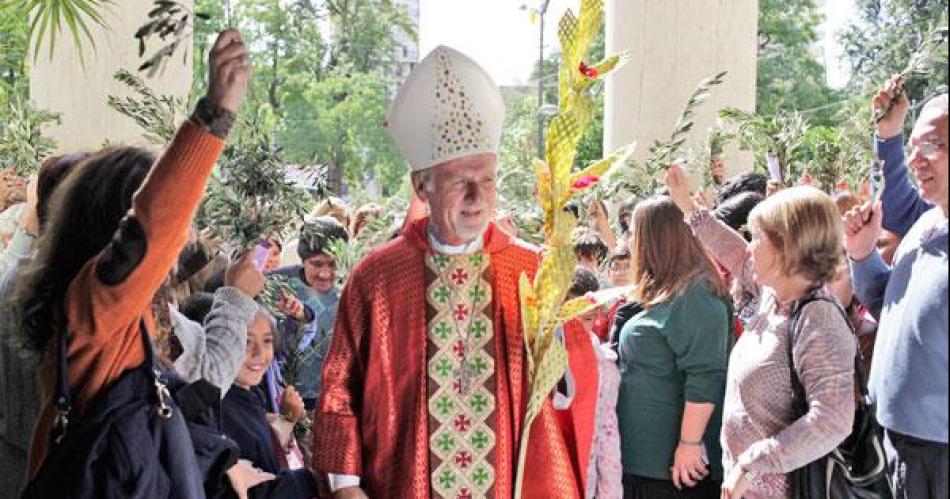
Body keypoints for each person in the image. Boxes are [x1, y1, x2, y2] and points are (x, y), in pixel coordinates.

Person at [313, 45, 592, 498]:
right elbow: (340, 387)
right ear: (421, 184)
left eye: (487, 179)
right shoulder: (378, 278)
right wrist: (346, 486)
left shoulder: (532, 270)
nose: (476, 196)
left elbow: (566, 390)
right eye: (460, 180)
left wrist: (559, 349)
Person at [11, 30, 270, 496]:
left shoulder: (121, 325)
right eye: (185, 219)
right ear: (115, 227)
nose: (186, 232)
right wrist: (214, 115)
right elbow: (153, 227)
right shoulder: (97, 314)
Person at [666, 164, 856, 499]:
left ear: (789, 247)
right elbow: (735, 254)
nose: (750, 247)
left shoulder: (818, 319)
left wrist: (755, 461)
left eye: (757, 238)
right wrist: (689, 209)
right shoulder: (776, 295)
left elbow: (832, 419)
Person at [845, 88, 948, 499]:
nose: (915, 158)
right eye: (912, 145)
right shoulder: (927, 225)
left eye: (933, 145)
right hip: (900, 439)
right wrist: (863, 254)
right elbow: (887, 302)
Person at [616, 196, 732, 499]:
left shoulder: (695, 294)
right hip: (647, 465)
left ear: (654, 238)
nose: (628, 241)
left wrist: (690, 443)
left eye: (633, 233)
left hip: (672, 471)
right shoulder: (669, 291)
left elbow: (706, 375)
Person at [270, 216, 349, 410]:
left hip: (335, 400)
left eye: (332, 264)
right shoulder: (277, 283)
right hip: (282, 398)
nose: (325, 273)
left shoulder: (352, 287)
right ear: (304, 260)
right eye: (317, 264)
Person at [564, 267, 623, 499]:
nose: (577, 326)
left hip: (584, 477)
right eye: (569, 317)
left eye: (586, 318)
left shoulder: (603, 364)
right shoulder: (535, 356)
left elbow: (608, 435)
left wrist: (610, 493)